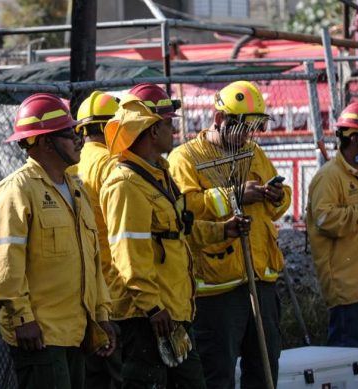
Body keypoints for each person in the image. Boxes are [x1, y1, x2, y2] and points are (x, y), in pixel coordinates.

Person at [100, 88, 248, 389]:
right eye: (169, 123)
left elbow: (178, 231)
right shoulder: (126, 185)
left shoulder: (159, 176)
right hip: (148, 318)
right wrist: (153, 308)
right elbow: (129, 254)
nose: (174, 129)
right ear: (153, 130)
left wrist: (223, 230)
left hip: (173, 311)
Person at [0, 93, 115, 389]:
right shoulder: (16, 192)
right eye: (70, 133)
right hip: (41, 336)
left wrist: (101, 315)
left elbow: (92, 261)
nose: (79, 139)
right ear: (45, 142)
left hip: (77, 333)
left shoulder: (76, 189)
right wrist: (21, 319)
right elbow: (2, 264)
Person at [168, 80, 291, 389]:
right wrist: (235, 198)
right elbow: (185, 210)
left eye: (253, 129)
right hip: (217, 289)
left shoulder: (253, 152)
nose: (248, 136)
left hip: (260, 281)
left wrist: (277, 195)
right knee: (217, 374)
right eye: (242, 128)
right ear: (221, 120)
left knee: (264, 370)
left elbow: (275, 210)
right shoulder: (185, 158)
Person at [67, 91, 121, 389]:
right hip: (114, 284)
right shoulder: (112, 165)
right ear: (112, 128)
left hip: (84, 286)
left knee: (93, 375)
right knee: (119, 371)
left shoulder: (72, 165)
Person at [306, 101, 358, 348]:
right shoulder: (329, 178)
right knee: (347, 364)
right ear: (356, 139)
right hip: (348, 293)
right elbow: (325, 219)